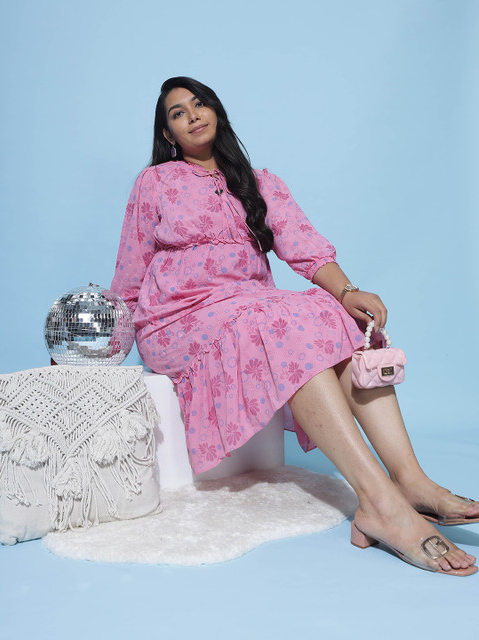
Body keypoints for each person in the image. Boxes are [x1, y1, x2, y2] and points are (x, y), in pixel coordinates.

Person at [111, 76, 479, 576]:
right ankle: (380, 504)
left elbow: (302, 244)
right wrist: (104, 348)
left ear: (216, 111)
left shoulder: (259, 181)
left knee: (328, 312)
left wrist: (348, 293)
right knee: (275, 319)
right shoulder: (154, 183)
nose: (192, 115)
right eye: (178, 112)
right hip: (177, 319)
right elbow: (130, 270)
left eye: (199, 104)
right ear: (168, 133)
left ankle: (411, 480)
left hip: (247, 305)